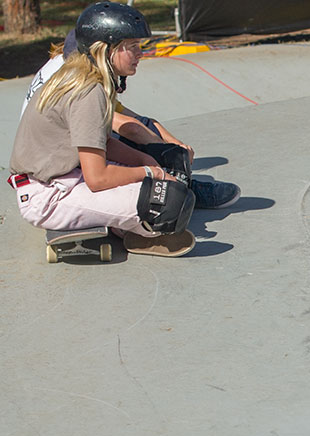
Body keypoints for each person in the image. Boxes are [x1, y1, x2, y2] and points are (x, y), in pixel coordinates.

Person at [8, 2, 196, 256]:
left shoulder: (80, 75)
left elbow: (102, 143)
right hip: (49, 197)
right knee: (168, 202)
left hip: (61, 179)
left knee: (159, 167)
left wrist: (145, 159)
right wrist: (150, 172)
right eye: (132, 47)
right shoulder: (88, 91)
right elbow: (97, 179)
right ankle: (131, 227)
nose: (140, 53)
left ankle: (120, 221)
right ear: (106, 50)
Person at [21, 28, 240, 210]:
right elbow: (123, 127)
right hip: (55, 168)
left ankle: (171, 180)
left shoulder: (70, 64)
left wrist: (171, 142)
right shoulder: (81, 83)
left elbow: (130, 116)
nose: (140, 54)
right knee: (133, 138)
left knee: (143, 127)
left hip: (47, 157)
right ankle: (182, 189)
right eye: (132, 46)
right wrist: (165, 158)